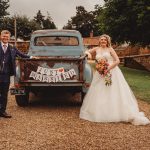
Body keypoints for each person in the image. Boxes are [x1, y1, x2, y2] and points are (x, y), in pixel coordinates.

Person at [79, 34, 150, 125]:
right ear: (99, 41)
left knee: (112, 90)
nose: (103, 41)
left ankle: (116, 112)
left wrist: (108, 68)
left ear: (107, 41)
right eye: (101, 40)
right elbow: (86, 51)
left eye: (104, 40)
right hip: (100, 73)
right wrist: (88, 55)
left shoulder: (110, 49)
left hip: (112, 72)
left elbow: (117, 61)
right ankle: (100, 111)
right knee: (99, 91)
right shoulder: (96, 49)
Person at [0, 30, 31, 118]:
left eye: (7, 37)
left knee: (4, 94)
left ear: (9, 38)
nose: (5, 38)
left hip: (6, 75)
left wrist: (32, 57)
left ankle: (2, 111)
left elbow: (22, 55)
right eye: (3, 36)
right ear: (0, 36)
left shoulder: (12, 47)